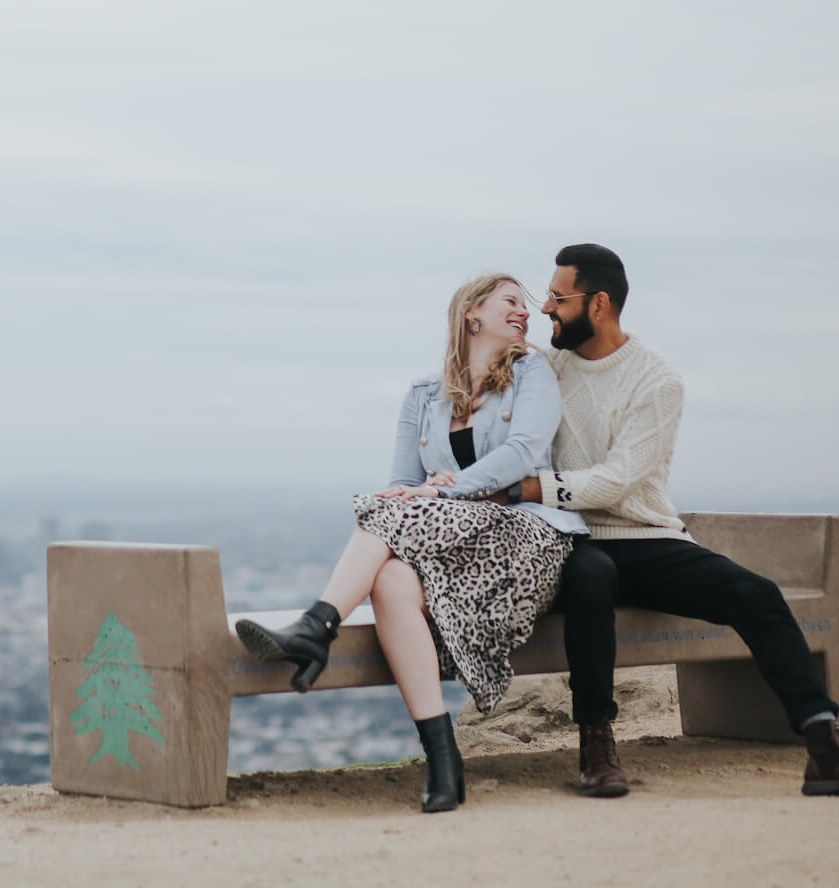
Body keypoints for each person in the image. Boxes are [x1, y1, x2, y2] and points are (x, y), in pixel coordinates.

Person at [520, 242, 839, 799]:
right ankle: (597, 748)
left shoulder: (657, 379)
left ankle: (826, 746)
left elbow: (620, 479)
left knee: (754, 594)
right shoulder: (545, 368)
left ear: (599, 304)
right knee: (592, 577)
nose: (545, 309)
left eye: (557, 298)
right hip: (572, 540)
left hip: (645, 536)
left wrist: (537, 487)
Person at [234, 273, 588, 813]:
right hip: (450, 538)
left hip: (524, 536)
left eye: (526, 305)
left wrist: (446, 493)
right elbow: (402, 483)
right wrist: (421, 495)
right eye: (511, 302)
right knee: (391, 578)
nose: (526, 313)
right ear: (472, 313)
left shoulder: (532, 372)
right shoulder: (424, 394)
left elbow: (522, 451)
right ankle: (443, 761)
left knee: (381, 515)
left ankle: (316, 627)